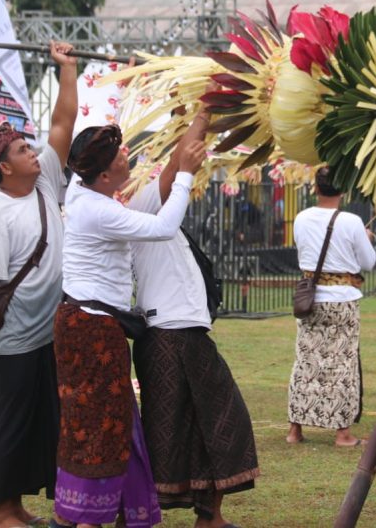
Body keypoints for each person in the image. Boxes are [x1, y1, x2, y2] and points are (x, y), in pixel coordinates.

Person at [54, 123, 206, 528]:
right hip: (93, 329)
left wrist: (194, 121)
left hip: (86, 323)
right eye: (120, 156)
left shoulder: (84, 189)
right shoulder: (98, 210)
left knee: (106, 421)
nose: (128, 157)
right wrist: (187, 175)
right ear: (103, 174)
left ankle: (98, 512)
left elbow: (159, 180)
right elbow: (162, 227)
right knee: (103, 426)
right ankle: (88, 518)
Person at [129, 105, 259, 528]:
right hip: (170, 334)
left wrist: (197, 117)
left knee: (205, 426)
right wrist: (204, 112)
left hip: (180, 331)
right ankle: (145, 513)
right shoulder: (140, 207)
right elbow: (175, 166)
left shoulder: (152, 216)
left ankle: (210, 516)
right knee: (188, 427)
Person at [0, 41, 77, 528]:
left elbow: (63, 125)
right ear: (3, 167)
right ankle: (1, 512)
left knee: (44, 420)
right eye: (21, 150)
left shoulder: (46, 182)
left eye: (29, 147)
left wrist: (67, 68)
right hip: (13, 337)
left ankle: (19, 506)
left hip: (50, 330)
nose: (33, 152)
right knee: (10, 422)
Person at [287, 166, 376, 447]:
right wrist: (367, 239)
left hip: (311, 298)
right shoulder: (351, 221)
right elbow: (368, 262)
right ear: (343, 190)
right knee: (343, 363)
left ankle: (295, 429)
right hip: (342, 298)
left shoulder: (301, 219)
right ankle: (342, 433)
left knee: (306, 360)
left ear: (315, 188)